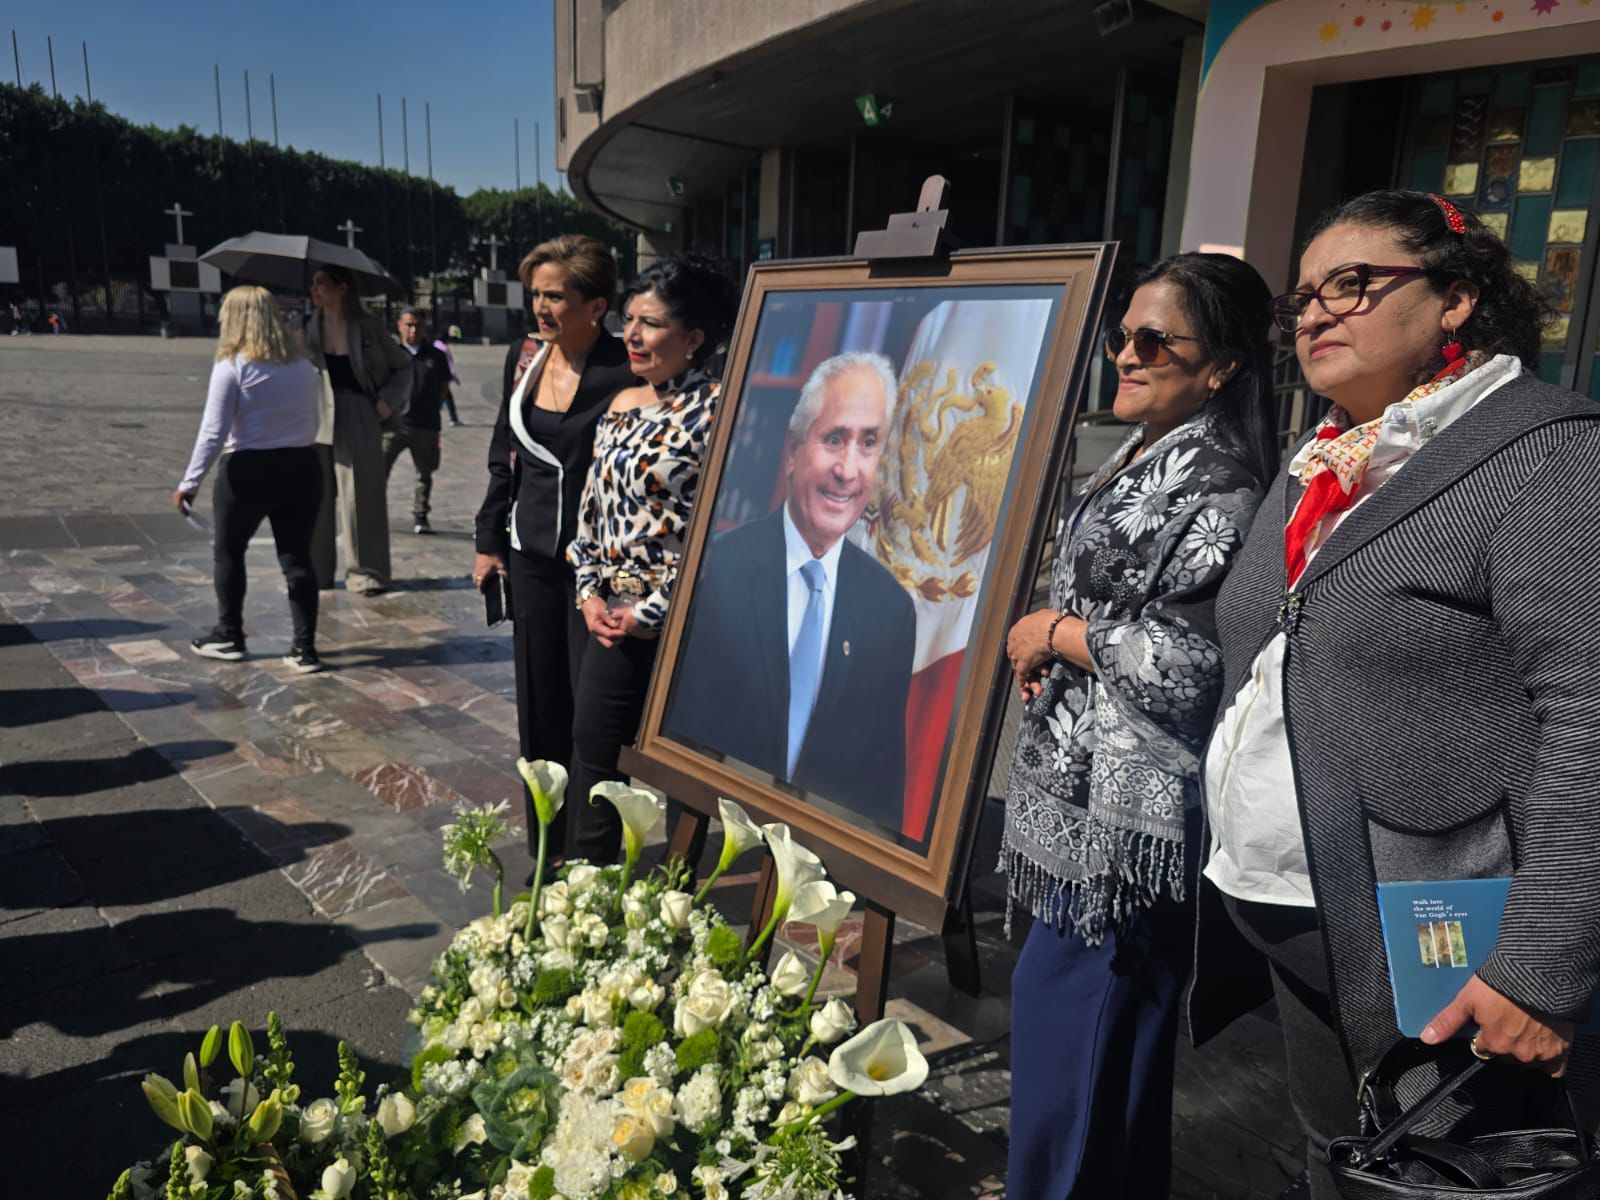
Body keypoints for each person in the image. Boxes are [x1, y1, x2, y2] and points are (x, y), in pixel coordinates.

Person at [1197, 190, 1600, 1200]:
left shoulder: (1545, 452)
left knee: (1443, 1175)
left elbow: (1589, 710)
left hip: (1441, 945)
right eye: (1304, 296)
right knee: (1339, 1158)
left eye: (1354, 284)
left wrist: (1539, 968)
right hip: (1293, 910)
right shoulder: (1327, 459)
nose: (1316, 314)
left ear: (1455, 298)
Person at [999, 253, 1279, 1199]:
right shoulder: (1145, 449)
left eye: (1154, 340)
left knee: (1078, 1056)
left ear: (1224, 366)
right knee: (1091, 1063)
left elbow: (1191, 663)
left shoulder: (1223, 486)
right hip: (1080, 813)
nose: (1125, 353)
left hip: (1124, 835)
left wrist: (1054, 632)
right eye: (1122, 335)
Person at [665, 352, 916, 830]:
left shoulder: (892, 610)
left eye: (869, 444)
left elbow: (880, 778)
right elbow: (684, 741)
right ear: (792, 450)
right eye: (834, 438)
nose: (848, 469)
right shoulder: (718, 569)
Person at [565, 252, 738, 863]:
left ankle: (673, 907)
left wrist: (652, 611)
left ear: (693, 338)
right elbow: (589, 517)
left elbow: (719, 530)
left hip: (683, 620)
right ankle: (586, 899)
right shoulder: (620, 404)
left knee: (682, 775)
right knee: (593, 755)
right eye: (628, 319)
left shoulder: (720, 410)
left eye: (651, 322)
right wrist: (590, 594)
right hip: (610, 619)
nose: (631, 335)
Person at [472, 235, 633, 857]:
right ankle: (549, 848)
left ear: (596, 305)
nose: (541, 308)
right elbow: (502, 457)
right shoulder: (525, 358)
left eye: (555, 296)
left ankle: (595, 852)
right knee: (540, 710)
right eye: (536, 294)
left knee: (592, 715)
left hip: (599, 569)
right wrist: (489, 541)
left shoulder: (625, 369)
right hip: (532, 558)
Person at [174, 286, 325, 673]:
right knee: (297, 558)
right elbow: (313, 420)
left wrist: (190, 482)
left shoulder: (233, 365)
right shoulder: (305, 366)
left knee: (228, 550)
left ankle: (230, 634)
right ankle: (304, 648)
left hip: (248, 469)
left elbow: (214, 430)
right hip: (302, 465)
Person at [305, 264, 411, 595]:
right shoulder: (302, 327)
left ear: (343, 288)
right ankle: (316, 572)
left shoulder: (368, 327)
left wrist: (387, 402)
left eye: (322, 283)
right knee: (315, 498)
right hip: (314, 416)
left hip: (359, 414)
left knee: (361, 497)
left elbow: (403, 367)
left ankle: (367, 572)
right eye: (313, 283)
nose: (315, 289)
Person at [383, 307, 453, 534]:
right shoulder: (391, 353)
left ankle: (420, 515)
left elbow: (444, 388)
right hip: (394, 424)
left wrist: (432, 406)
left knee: (424, 473)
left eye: (418, 325)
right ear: (399, 326)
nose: (414, 330)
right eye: (409, 324)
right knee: (378, 470)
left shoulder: (436, 356)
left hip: (426, 424)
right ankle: (373, 512)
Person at [433, 324, 464, 427]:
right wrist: (455, 378)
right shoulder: (445, 349)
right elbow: (450, 365)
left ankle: (451, 417)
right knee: (446, 397)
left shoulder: (435, 344)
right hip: (443, 377)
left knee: (443, 398)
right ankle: (453, 419)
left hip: (434, 375)